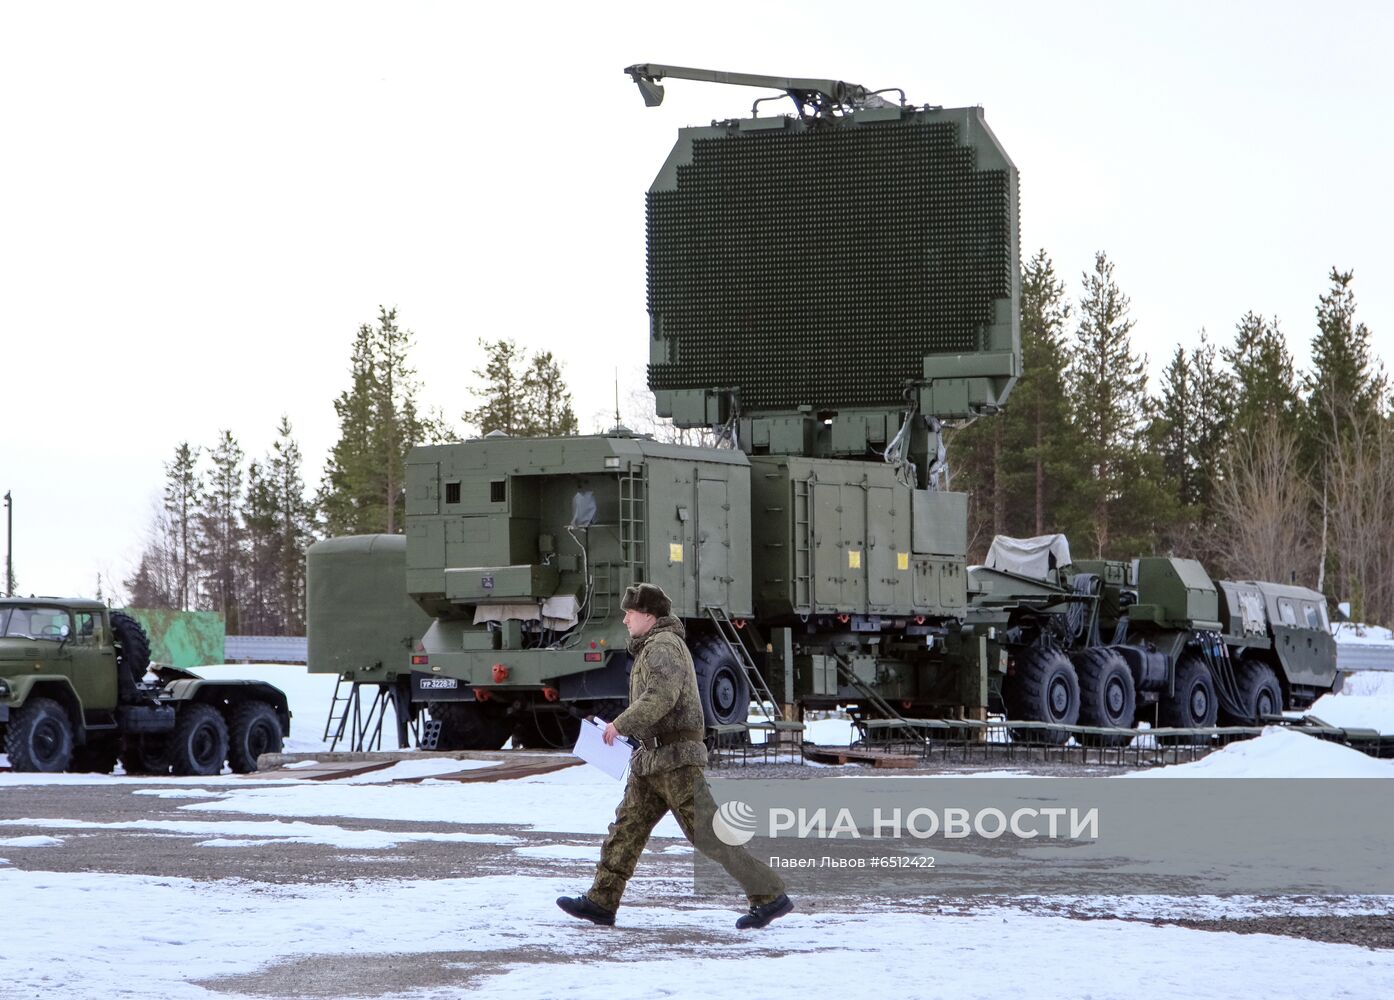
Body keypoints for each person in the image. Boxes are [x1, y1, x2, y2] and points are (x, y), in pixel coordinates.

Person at [557, 583, 793, 930]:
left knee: (711, 836)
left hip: (676, 760)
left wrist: (619, 725)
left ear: (649, 617)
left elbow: (659, 699)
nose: (624, 619)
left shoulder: (664, 648)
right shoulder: (650, 647)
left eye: (630, 613)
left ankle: (770, 896)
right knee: (625, 831)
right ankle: (601, 902)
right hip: (652, 760)